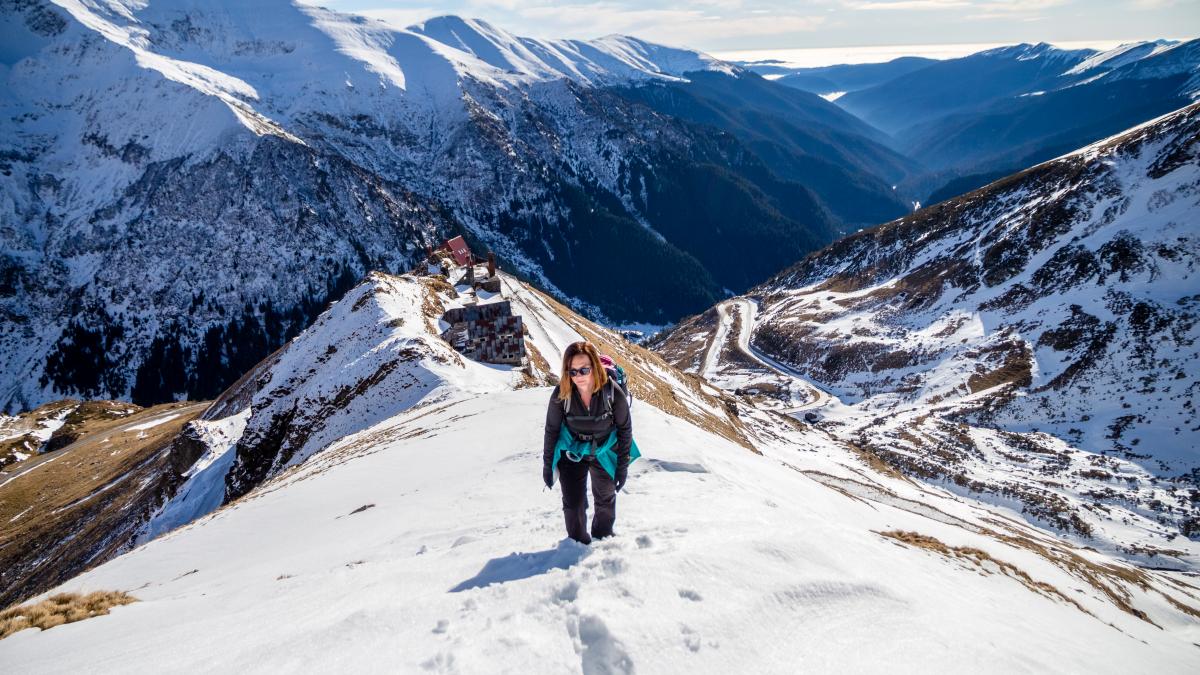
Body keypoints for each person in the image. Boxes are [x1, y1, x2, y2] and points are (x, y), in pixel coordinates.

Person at [543, 341, 633, 544]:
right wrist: (547, 465)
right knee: (573, 505)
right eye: (573, 372)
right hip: (573, 453)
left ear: (594, 367)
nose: (579, 376)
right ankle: (576, 544)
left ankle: (603, 539)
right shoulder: (561, 394)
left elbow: (625, 429)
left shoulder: (612, 392)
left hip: (604, 450)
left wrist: (622, 467)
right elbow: (551, 430)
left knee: (605, 500)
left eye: (584, 369)